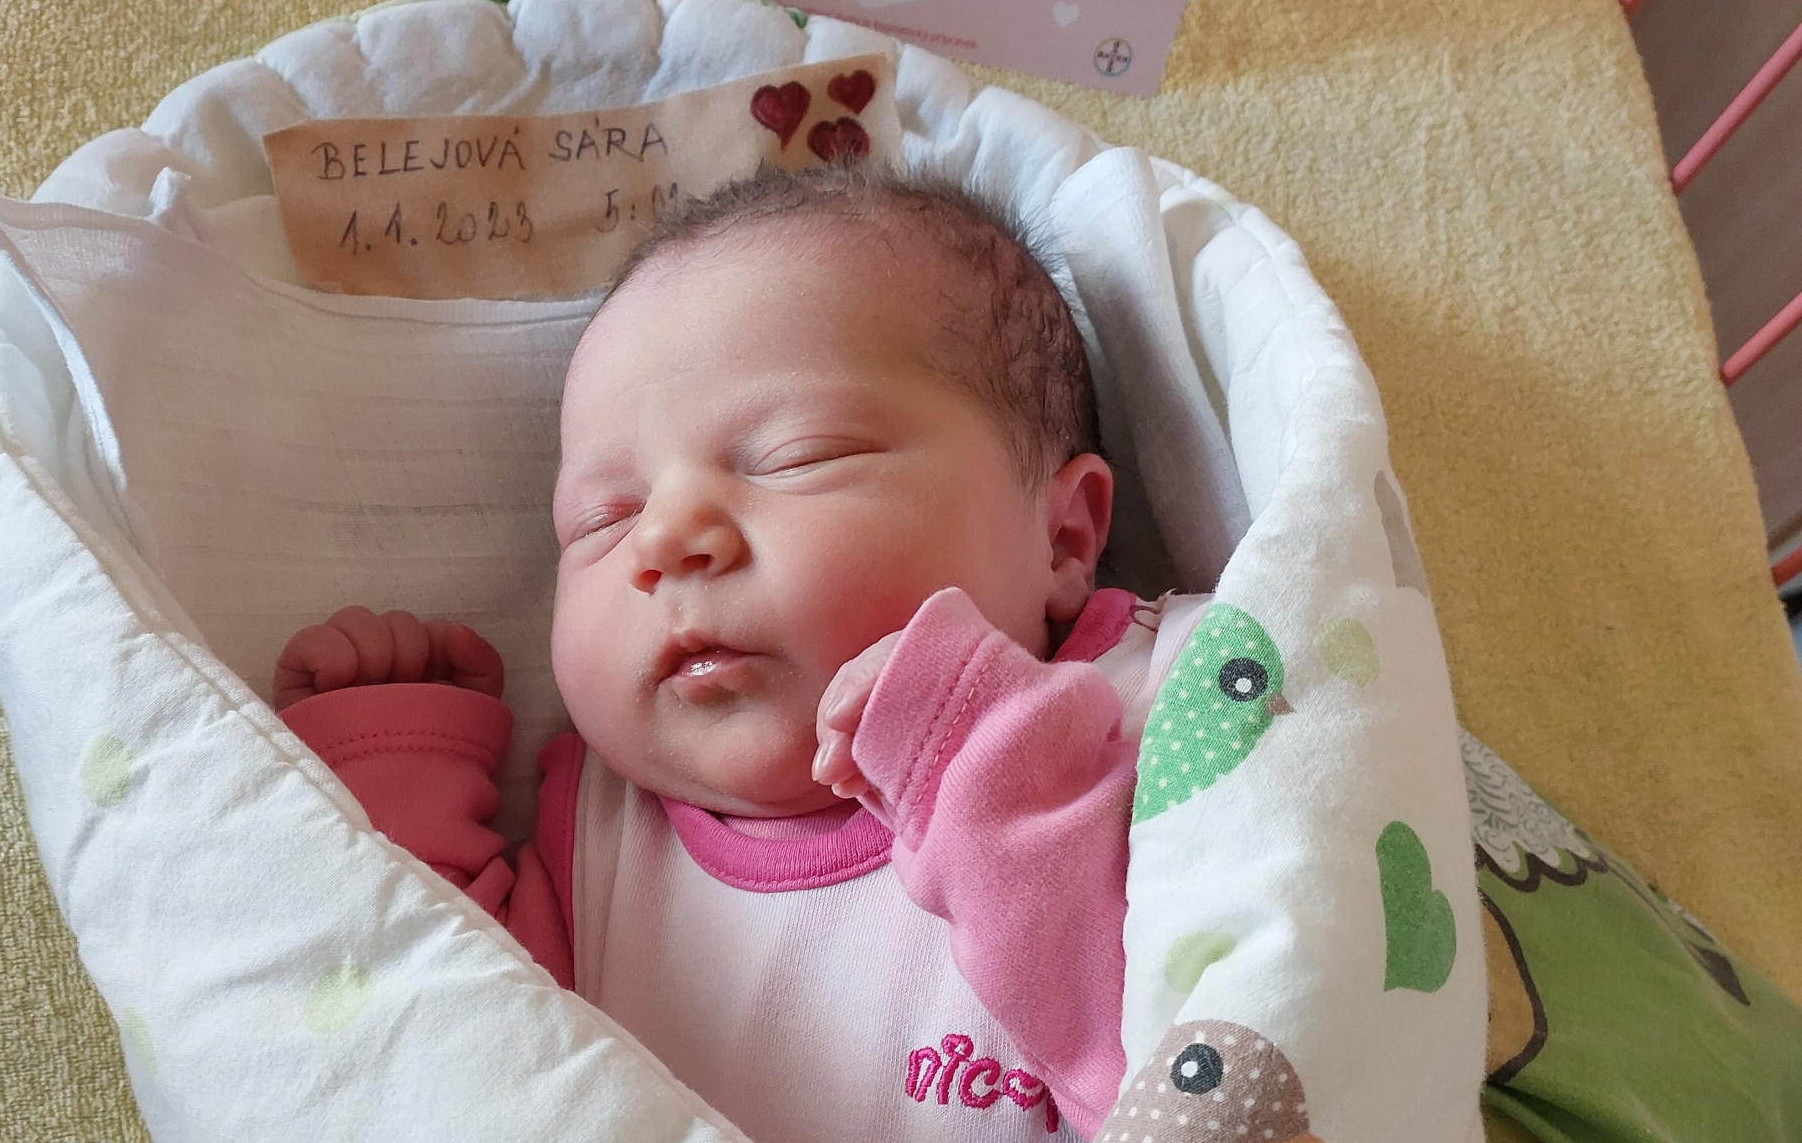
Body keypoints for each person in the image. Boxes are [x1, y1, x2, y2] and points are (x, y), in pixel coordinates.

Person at [271, 164, 1210, 1143]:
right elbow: (450, 1060)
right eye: (603, 518)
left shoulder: (1170, 701)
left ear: (1062, 538)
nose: (665, 538)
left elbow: (1221, 1051)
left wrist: (988, 766)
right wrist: (392, 781)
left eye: (798, 455)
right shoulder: (606, 842)